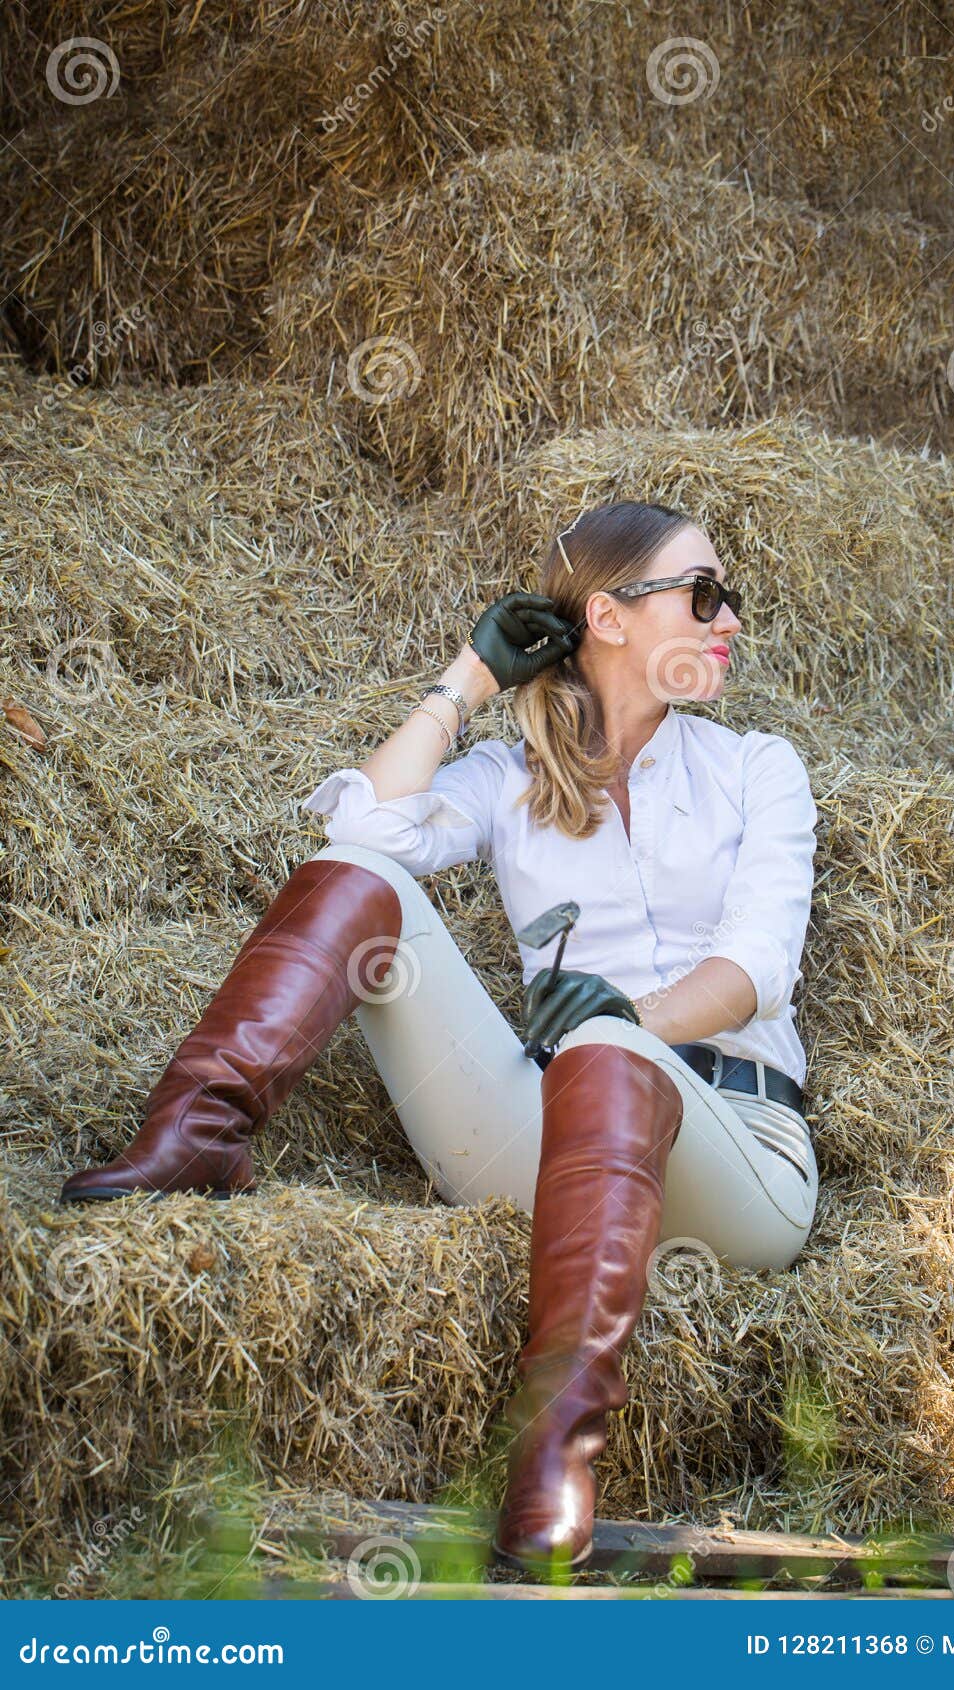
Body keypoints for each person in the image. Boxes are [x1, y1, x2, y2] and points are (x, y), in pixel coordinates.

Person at [60, 500, 819, 1576]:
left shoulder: (758, 768)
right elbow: (360, 830)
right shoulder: (512, 782)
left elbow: (755, 971)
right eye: (700, 594)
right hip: (554, 1152)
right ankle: (196, 1134)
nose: (725, 617)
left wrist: (620, 1020)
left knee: (604, 1052)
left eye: (725, 595)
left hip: (736, 1159)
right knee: (361, 879)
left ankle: (552, 1457)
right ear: (605, 614)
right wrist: (467, 681)